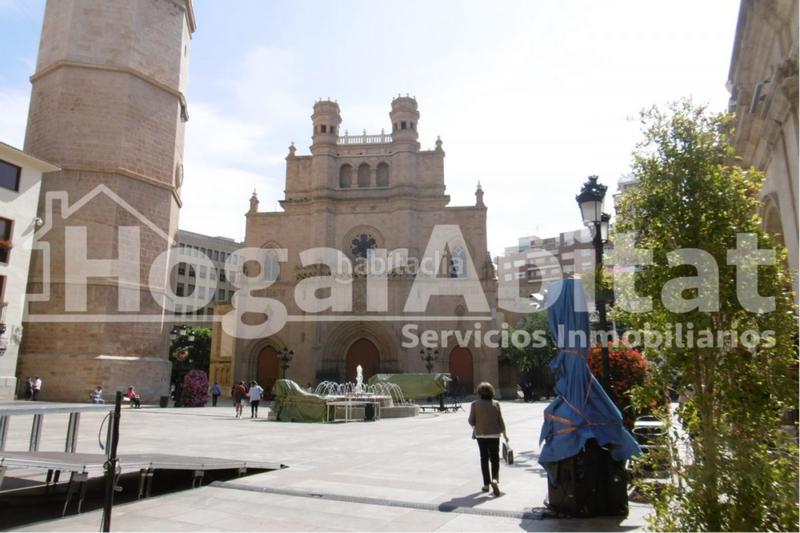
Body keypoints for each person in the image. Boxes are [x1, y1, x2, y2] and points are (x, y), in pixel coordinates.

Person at [468, 382, 508, 496]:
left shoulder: (474, 404)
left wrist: (477, 425)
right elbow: (501, 421)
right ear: (492, 392)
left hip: (481, 435)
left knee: (484, 459)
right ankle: (495, 479)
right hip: (494, 435)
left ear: (479, 392)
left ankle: (486, 485)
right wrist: (505, 434)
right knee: (495, 458)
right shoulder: (496, 403)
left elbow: (471, 421)